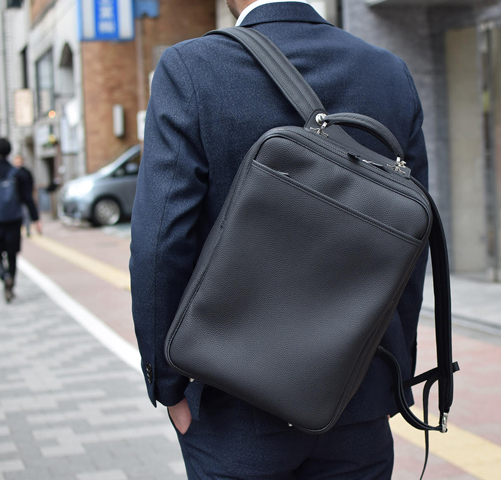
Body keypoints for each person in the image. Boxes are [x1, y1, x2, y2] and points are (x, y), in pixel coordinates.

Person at [129, 1, 428, 479]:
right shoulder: (389, 72)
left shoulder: (191, 68)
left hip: (231, 400)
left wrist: (168, 386)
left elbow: (160, 243)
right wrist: (390, 375)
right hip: (357, 399)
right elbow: (410, 249)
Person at [0, 140, 41, 303]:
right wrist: (35, 218)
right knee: (12, 254)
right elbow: (27, 198)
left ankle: (5, 276)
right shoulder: (17, 173)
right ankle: (11, 283)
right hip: (14, 219)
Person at [12, 155, 34, 237]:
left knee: (26, 215)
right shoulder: (12, 172)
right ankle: (20, 231)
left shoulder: (25, 172)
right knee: (19, 216)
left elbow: (31, 184)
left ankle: (27, 230)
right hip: (15, 199)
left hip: (23, 199)